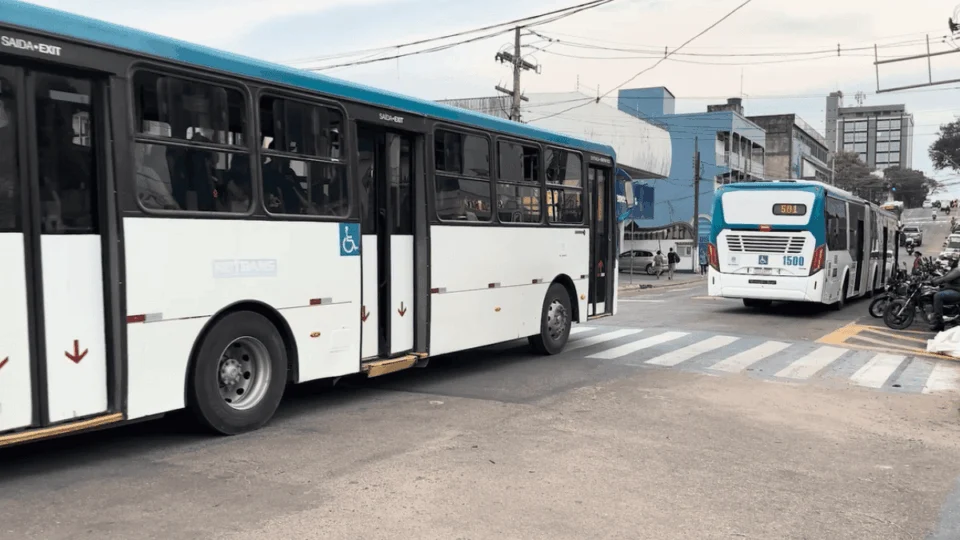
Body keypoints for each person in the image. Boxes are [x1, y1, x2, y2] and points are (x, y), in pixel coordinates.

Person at [931, 257, 960, 330]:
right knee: (935, 292)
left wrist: (936, 282)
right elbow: (944, 276)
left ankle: (939, 322)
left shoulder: (957, 270)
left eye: (951, 261)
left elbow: (946, 278)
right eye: (949, 261)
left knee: (938, 296)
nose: (949, 262)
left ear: (955, 262)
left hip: (957, 292)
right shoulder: (952, 270)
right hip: (954, 289)